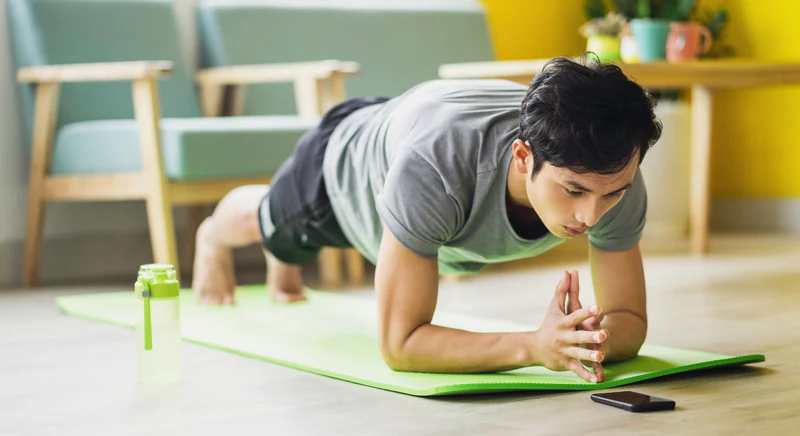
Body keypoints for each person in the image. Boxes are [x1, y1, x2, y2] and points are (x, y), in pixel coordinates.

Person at [192, 55, 662, 383]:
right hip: (343, 166)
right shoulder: (435, 167)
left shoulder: (612, 172)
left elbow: (630, 322)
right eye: (573, 190)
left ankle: (284, 263)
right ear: (523, 157)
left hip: (415, 132)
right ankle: (213, 235)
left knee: (287, 251)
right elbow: (401, 345)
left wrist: (582, 339)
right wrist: (535, 347)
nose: (592, 214)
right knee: (271, 223)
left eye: (611, 194)